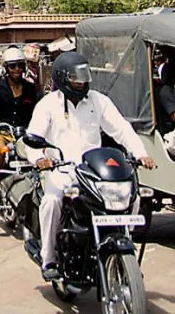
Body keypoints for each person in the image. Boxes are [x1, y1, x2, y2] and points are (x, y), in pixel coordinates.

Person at [25, 51, 155, 281]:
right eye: (76, 78)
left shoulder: (98, 100)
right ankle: (48, 258)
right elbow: (32, 139)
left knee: (130, 196)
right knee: (51, 201)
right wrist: (39, 159)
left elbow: (122, 129)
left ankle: (125, 253)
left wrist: (141, 153)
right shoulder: (48, 104)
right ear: (63, 78)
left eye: (85, 76)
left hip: (95, 171)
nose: (82, 82)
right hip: (63, 170)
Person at [0, 46, 39, 208]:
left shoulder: (31, 88)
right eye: (13, 66)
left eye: (20, 65)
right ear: (6, 68)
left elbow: (42, 107)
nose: (17, 69)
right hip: (4, 133)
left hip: (27, 134)